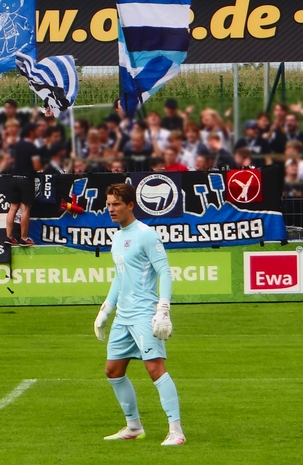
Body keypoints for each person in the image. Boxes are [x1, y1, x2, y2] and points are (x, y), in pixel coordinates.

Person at [94, 182, 184, 446]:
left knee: (155, 369)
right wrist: (106, 310)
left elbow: (164, 271)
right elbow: (119, 276)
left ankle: (176, 431)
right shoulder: (117, 237)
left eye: (116, 204)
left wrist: (163, 308)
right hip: (123, 317)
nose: (111, 209)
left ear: (130, 205)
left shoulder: (146, 234)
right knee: (113, 370)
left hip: (144, 314)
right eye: (108, 204)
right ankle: (133, 427)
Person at [4, 122, 41, 246]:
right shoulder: (32, 147)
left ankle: (9, 236)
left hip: (14, 178)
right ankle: (23, 238)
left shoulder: (17, 146)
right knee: (25, 209)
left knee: (13, 208)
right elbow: (37, 166)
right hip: (26, 179)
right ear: (31, 132)